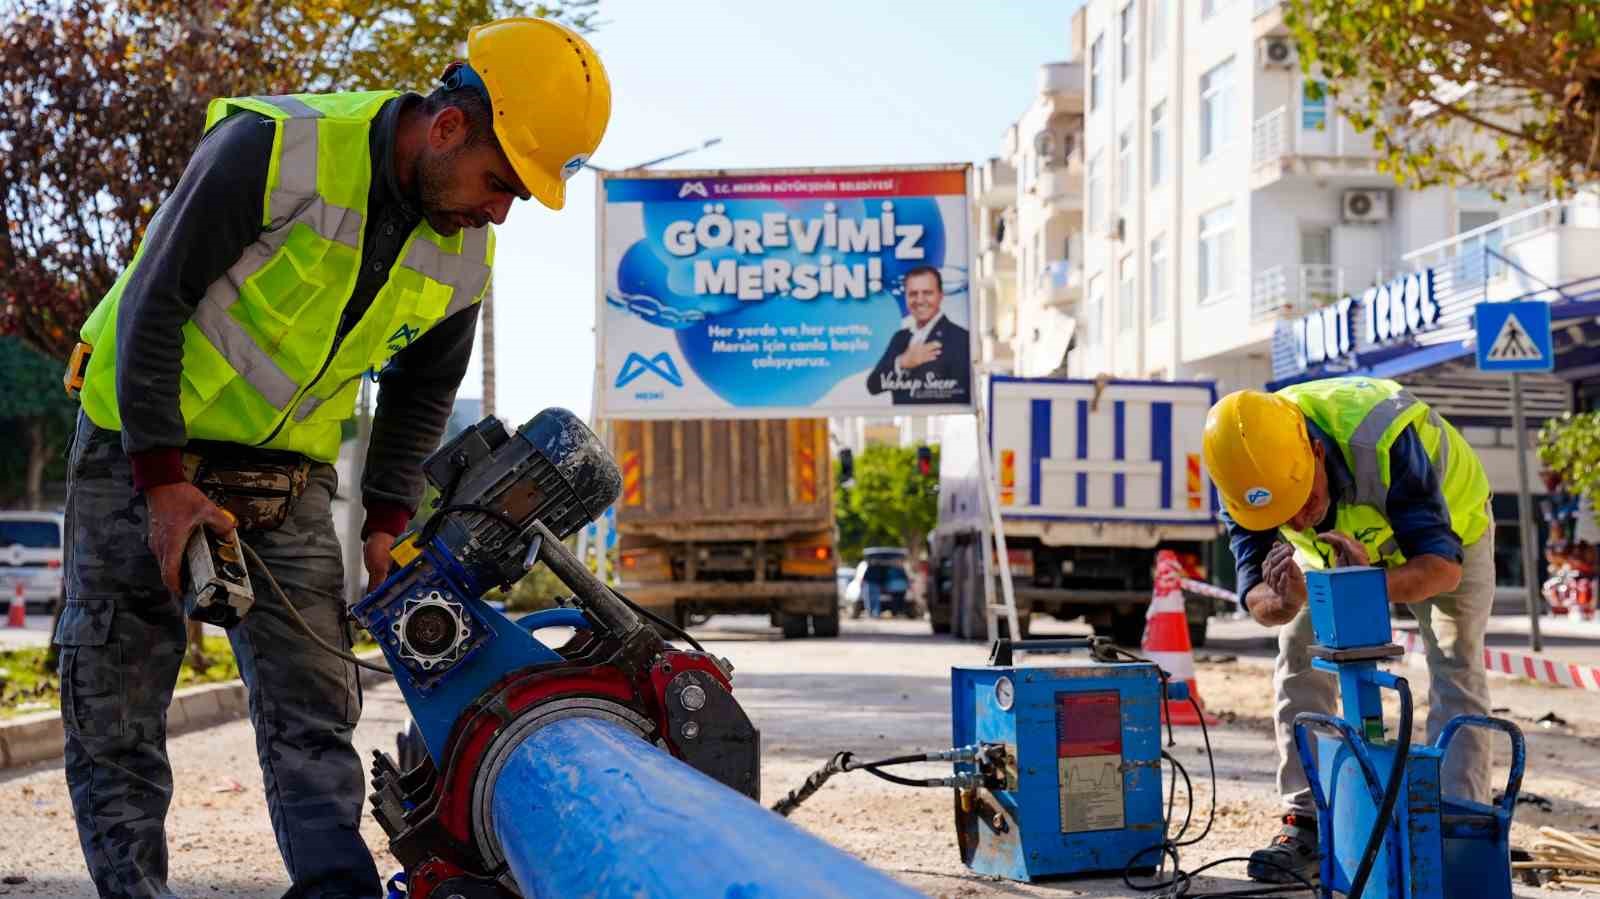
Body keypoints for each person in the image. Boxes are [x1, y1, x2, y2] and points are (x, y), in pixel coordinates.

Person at [56, 18, 610, 899]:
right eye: (500, 182)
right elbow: (153, 307)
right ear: (449, 126)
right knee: (116, 709)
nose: (500, 210)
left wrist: (386, 525)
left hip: (287, 477)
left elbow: (423, 389)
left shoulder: (466, 246)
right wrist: (162, 482)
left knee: (314, 707)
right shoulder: (272, 149)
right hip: (140, 444)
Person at [1202, 376, 1495, 885]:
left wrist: (1366, 583)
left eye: (1303, 499)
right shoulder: (1246, 479)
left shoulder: (1383, 437)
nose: (1296, 518)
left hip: (1452, 541)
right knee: (1297, 653)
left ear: (1317, 451)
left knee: (1455, 660)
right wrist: (1285, 599)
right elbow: (1257, 600)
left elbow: (1440, 569)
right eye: (1281, 514)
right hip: (1333, 560)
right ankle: (1307, 822)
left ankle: (1455, 828)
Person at [866, 265, 971, 405]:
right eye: (913, 294)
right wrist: (902, 363)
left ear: (941, 296)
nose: (920, 300)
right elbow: (873, 385)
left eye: (927, 293)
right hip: (904, 423)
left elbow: (962, 395)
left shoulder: (960, 338)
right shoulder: (900, 337)